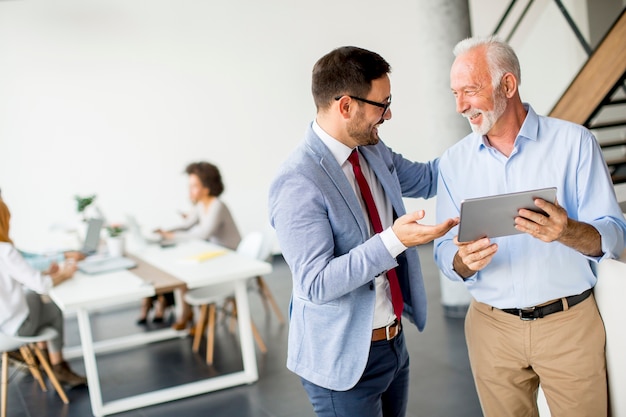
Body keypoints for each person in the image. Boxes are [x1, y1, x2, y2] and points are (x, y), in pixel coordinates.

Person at [434, 36, 626, 417]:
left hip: (568, 326)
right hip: (490, 329)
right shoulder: (453, 163)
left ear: (508, 85)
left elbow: (615, 235)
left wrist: (567, 231)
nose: (460, 106)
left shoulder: (575, 143)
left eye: (470, 91)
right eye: (455, 93)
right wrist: (462, 261)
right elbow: (444, 254)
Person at [268, 46, 458, 417]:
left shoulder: (370, 149)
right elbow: (316, 282)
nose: (388, 115)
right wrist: (394, 241)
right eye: (381, 105)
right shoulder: (297, 180)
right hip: (342, 363)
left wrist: (487, 132)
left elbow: (428, 177)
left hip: (392, 344)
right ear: (345, 106)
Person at [0, 196, 88, 388]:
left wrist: (44, 273)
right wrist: (64, 274)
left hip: (2, 328)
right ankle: (58, 365)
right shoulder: (4, 250)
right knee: (49, 305)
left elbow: (14, 278)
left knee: (37, 299)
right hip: (16, 329)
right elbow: (41, 285)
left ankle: (45, 359)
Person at [142, 161, 242, 330]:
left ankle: (196, 316)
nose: (190, 190)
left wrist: (171, 236)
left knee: (190, 271)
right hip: (216, 254)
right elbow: (187, 224)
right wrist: (164, 232)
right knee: (183, 267)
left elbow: (203, 234)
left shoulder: (217, 205)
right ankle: (189, 314)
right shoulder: (201, 205)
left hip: (230, 256)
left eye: (194, 186)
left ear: (207, 187)